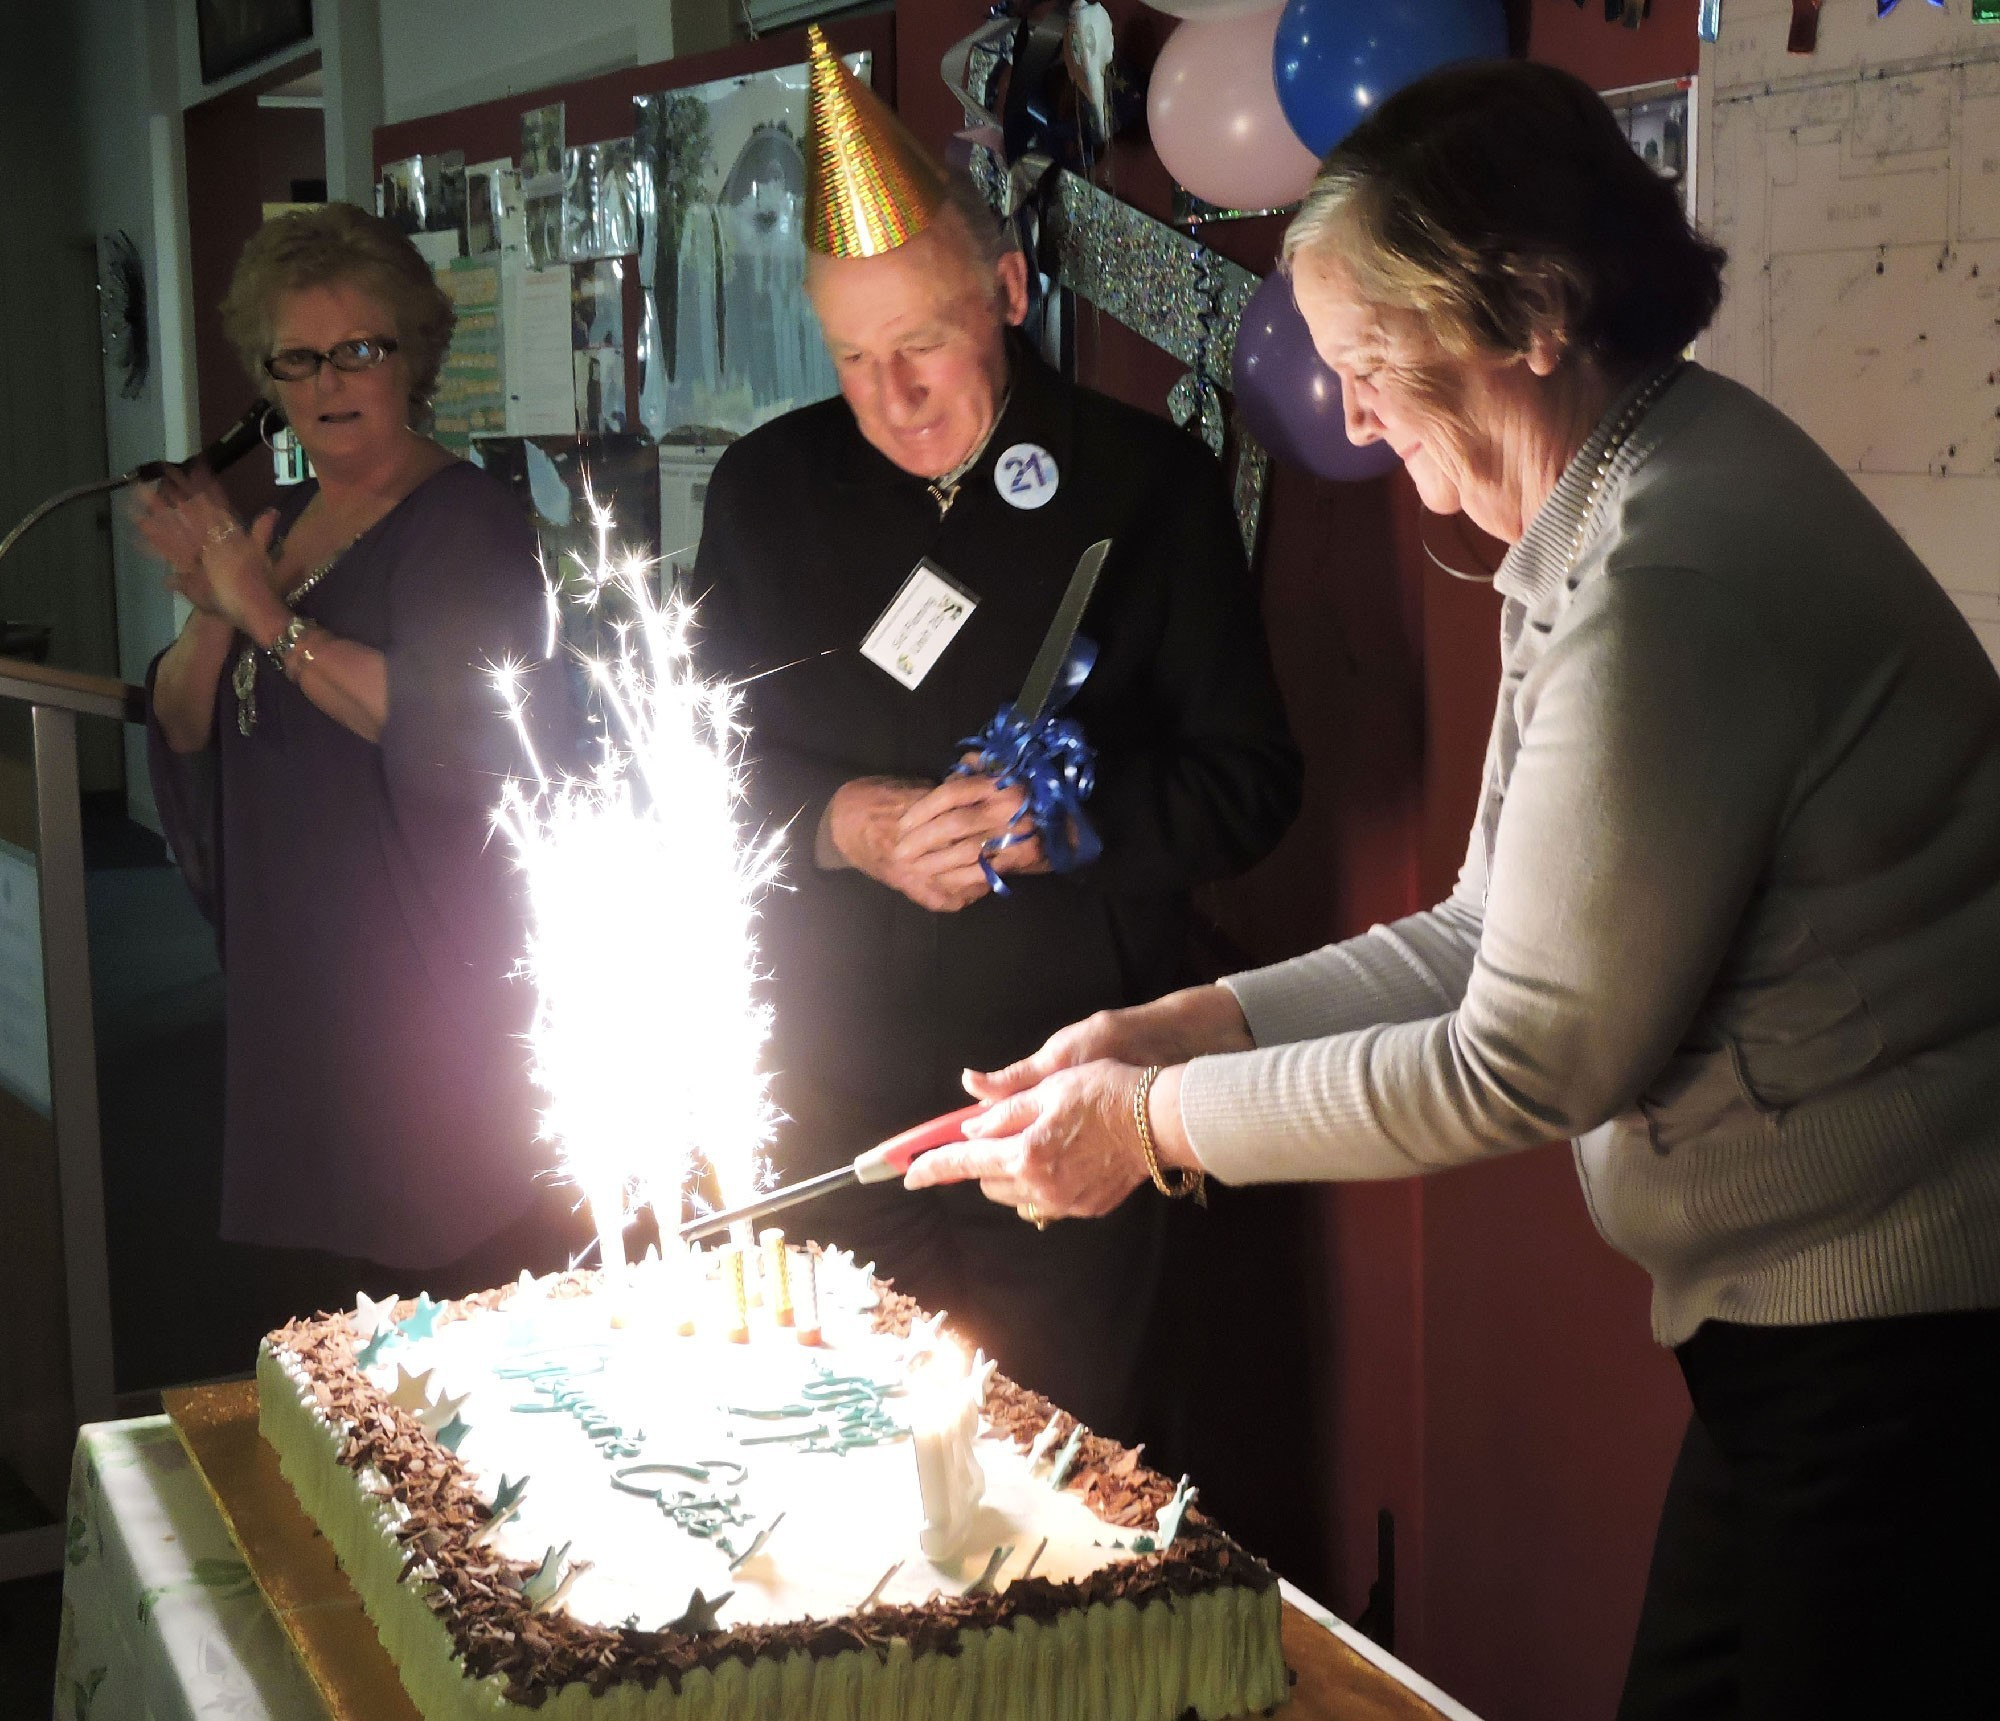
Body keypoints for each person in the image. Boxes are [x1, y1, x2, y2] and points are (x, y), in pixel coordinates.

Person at [908, 60, 2000, 1720]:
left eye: (1365, 362)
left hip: (1901, 1336)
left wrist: (1152, 1126)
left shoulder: (1668, 575)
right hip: (1831, 1326)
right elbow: (1486, 930)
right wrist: (1185, 1021)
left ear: (1532, 313)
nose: (1344, 416)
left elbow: (1527, 1059)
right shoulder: (1609, 498)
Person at [694, 30, 1300, 1439]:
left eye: (923, 346)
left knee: (1047, 1482)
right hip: (822, 1084)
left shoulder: (1147, 485)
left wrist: (1070, 824)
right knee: (825, 1458)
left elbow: (1252, 785)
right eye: (853, 359)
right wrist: (846, 823)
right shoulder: (766, 489)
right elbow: (695, 768)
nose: (891, 400)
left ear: (1010, 293)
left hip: (1066, 1100)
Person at [139, 204, 580, 1325]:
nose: (329, 381)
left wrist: (259, 610)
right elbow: (185, 722)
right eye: (298, 357)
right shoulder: (276, 522)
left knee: (429, 1312)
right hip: (295, 983)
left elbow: (455, 724)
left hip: (424, 984)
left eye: (358, 350)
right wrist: (210, 610)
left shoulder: (470, 523)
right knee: (311, 1324)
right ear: (267, 377)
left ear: (409, 354)